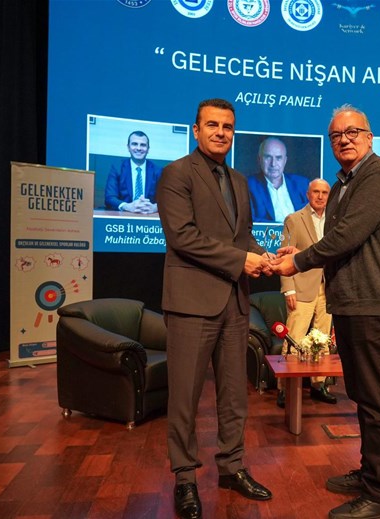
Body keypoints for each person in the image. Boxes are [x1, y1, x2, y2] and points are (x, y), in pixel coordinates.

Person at [272, 105, 380, 519]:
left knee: (379, 401)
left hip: (376, 304)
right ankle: (370, 473)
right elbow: (336, 238)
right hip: (352, 304)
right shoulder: (343, 184)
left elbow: (348, 236)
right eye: (336, 135)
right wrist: (300, 251)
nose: (344, 140)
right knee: (363, 397)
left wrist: (297, 263)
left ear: (369, 137)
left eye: (353, 132)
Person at [157, 98, 273, 519]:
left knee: (234, 395)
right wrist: (242, 260)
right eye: (212, 125)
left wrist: (266, 255)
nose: (221, 132)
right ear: (196, 130)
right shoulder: (176, 174)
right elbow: (182, 237)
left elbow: (243, 236)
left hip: (235, 302)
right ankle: (185, 478)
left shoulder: (239, 180)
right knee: (185, 398)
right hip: (192, 303)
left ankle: (232, 467)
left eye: (227, 126)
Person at [276, 178, 337, 408]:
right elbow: (284, 255)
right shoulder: (294, 219)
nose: (320, 196)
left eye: (324, 192)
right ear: (308, 194)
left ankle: (319, 385)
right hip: (301, 287)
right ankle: (285, 388)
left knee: (322, 339)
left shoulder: (335, 220)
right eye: (316, 192)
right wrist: (288, 288)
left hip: (327, 287)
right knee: (294, 339)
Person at [248, 137, 311, 222]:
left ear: (285, 161)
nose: (273, 164)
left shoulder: (302, 184)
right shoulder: (248, 186)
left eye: (278, 158)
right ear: (259, 160)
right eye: (268, 157)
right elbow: (250, 221)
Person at [104, 130, 161, 213]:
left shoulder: (158, 171)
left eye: (143, 145)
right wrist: (127, 206)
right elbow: (109, 198)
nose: (139, 148)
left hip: (148, 216)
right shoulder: (117, 168)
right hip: (124, 217)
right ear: (128, 147)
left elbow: (168, 199)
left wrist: (155, 207)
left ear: (148, 149)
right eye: (134, 144)